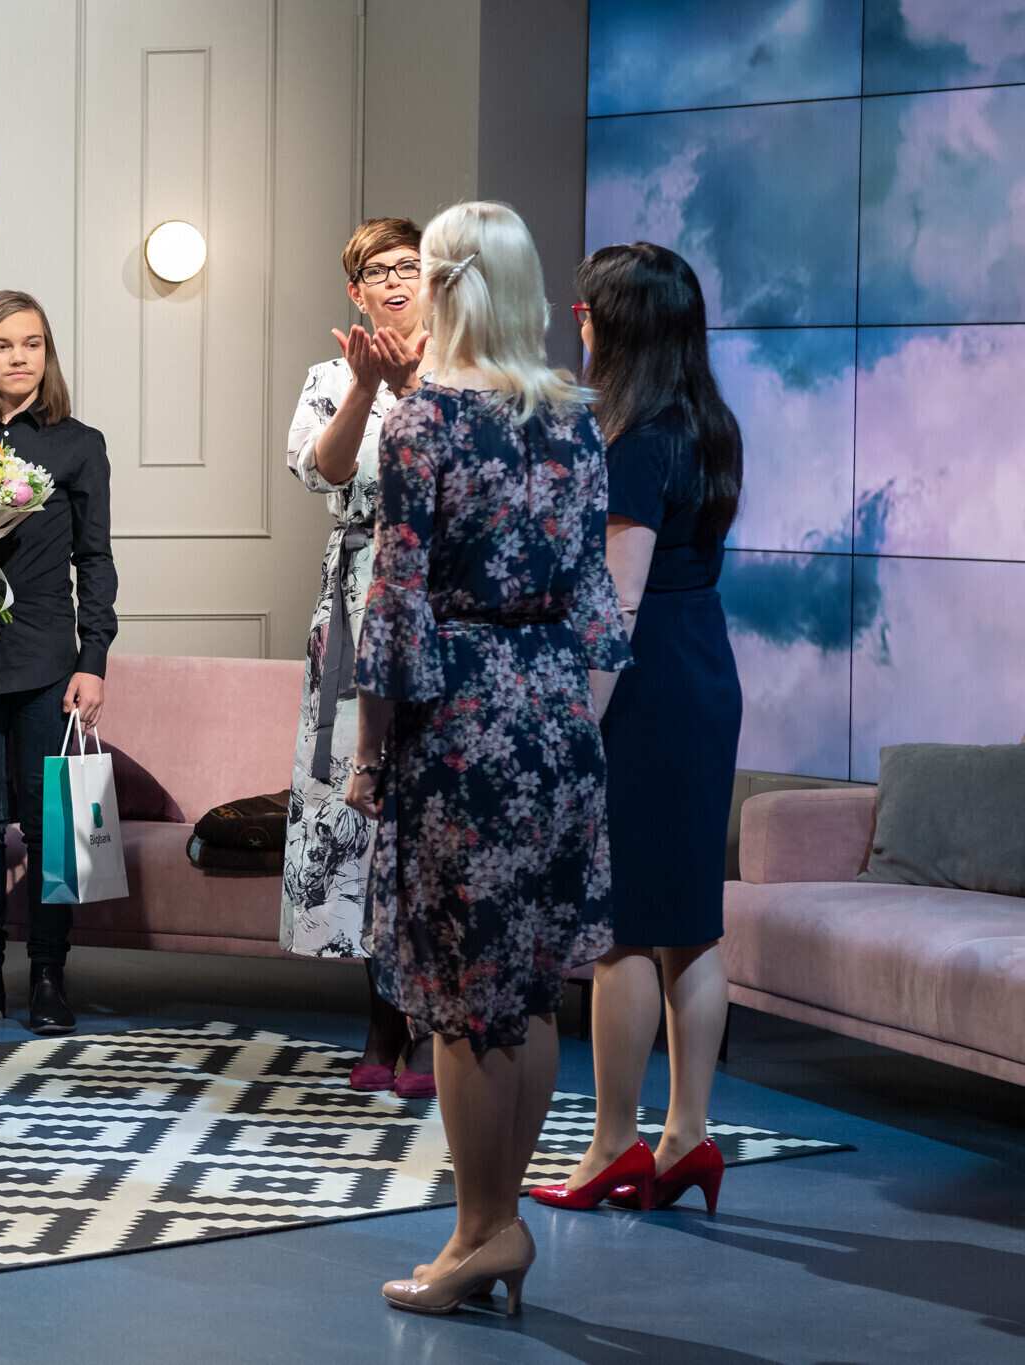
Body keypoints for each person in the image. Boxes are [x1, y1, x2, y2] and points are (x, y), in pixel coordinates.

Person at [343, 202, 633, 1315]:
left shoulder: (423, 420)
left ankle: (478, 1233)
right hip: (555, 717)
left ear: (449, 285)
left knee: (463, 1003)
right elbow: (597, 603)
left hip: (459, 724)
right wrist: (567, 717)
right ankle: (498, 1225)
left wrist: (371, 754)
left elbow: (396, 606)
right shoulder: (573, 419)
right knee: (527, 992)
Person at [532, 243, 744, 1215]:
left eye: (584, 312)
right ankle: (686, 1137)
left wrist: (577, 729)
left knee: (620, 929)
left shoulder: (634, 441)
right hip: (703, 669)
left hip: (646, 685)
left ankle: (611, 1144)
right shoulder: (708, 426)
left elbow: (616, 606)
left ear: (617, 326)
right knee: (689, 923)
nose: (575, 325)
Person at [0, 289, 118, 1037]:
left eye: (32, 344)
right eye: (2, 345)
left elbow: (94, 560)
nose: (19, 357)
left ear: (47, 354)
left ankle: (46, 975)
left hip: (46, 661)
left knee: (46, 825)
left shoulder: (79, 444)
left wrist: (93, 659)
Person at [281, 216, 437, 1099]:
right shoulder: (330, 376)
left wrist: (412, 385)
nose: (395, 280)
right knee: (361, 810)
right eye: (377, 271)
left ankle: (431, 1020)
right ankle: (382, 1018)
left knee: (429, 808)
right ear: (355, 291)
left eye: (409, 266)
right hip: (354, 600)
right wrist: (367, 387)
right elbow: (327, 471)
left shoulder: (465, 369)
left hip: (442, 602)